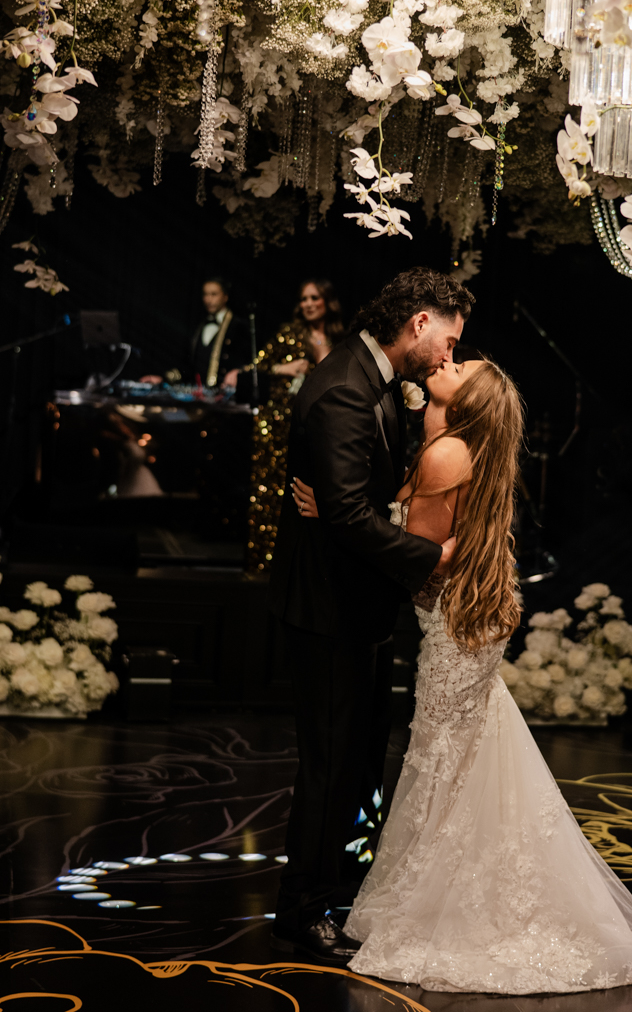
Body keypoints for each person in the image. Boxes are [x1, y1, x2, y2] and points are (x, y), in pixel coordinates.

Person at [292, 357, 632, 995]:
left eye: (461, 365)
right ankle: (439, 891)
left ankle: (448, 908)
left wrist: (333, 515)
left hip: (452, 625)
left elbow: (417, 560)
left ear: (468, 400)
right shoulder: (449, 446)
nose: (448, 360)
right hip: (465, 623)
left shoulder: (447, 454)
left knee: (444, 756)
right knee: (457, 755)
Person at [267, 267, 475, 964]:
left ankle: (338, 883)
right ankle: (301, 907)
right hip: (328, 607)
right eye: (447, 339)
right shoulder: (343, 391)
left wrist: (348, 509)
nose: (447, 355)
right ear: (419, 323)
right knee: (329, 763)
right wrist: (433, 556)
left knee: (357, 760)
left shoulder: (377, 382)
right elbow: (352, 517)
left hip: (359, 603)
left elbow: (356, 501)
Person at [246, 278, 346, 575]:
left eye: (314, 297)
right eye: (304, 299)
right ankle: (264, 565)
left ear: (327, 301)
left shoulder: (340, 338)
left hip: (321, 426)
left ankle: (303, 566)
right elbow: (255, 369)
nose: (308, 304)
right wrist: (284, 368)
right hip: (279, 425)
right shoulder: (289, 333)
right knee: (273, 495)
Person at [142, 276, 250, 389]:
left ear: (225, 297)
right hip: (198, 395)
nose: (208, 299)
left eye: (214, 294)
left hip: (226, 396)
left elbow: (249, 363)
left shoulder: (239, 326)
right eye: (205, 294)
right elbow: (189, 368)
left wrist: (239, 372)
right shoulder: (198, 326)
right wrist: (163, 378)